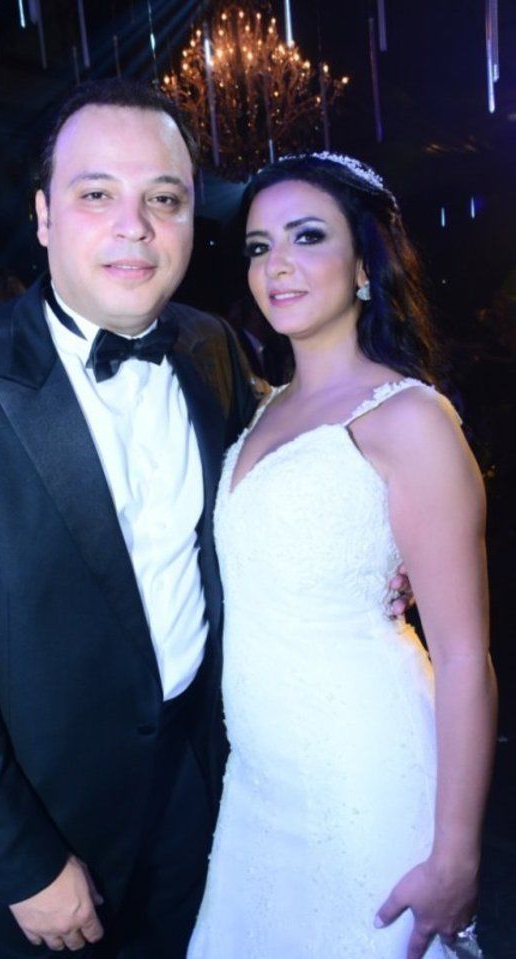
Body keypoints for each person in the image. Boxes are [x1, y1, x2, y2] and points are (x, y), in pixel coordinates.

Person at [0, 79, 257, 959]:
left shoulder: (211, 347)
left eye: (164, 198)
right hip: (46, 823)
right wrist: (20, 862)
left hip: (201, 790)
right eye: (96, 194)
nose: (135, 226)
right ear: (44, 216)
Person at [187, 154, 497, 959]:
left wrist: (456, 855)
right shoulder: (262, 409)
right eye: (259, 247)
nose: (277, 265)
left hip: (366, 769)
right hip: (259, 782)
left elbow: (465, 655)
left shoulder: (410, 418)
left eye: (307, 236)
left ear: (364, 264)